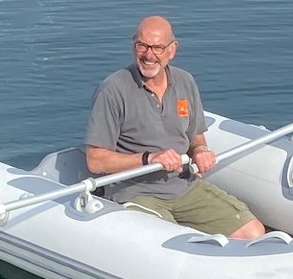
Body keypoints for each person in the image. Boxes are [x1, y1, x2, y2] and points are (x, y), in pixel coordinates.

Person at [86, 16, 266, 240]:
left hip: (183, 186)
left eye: (157, 48)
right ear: (134, 46)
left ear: (172, 50)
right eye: (142, 46)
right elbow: (95, 161)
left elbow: (195, 135)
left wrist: (200, 150)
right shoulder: (112, 90)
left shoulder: (185, 82)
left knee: (253, 232)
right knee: (177, 241)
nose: (149, 55)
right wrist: (149, 159)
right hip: (135, 192)